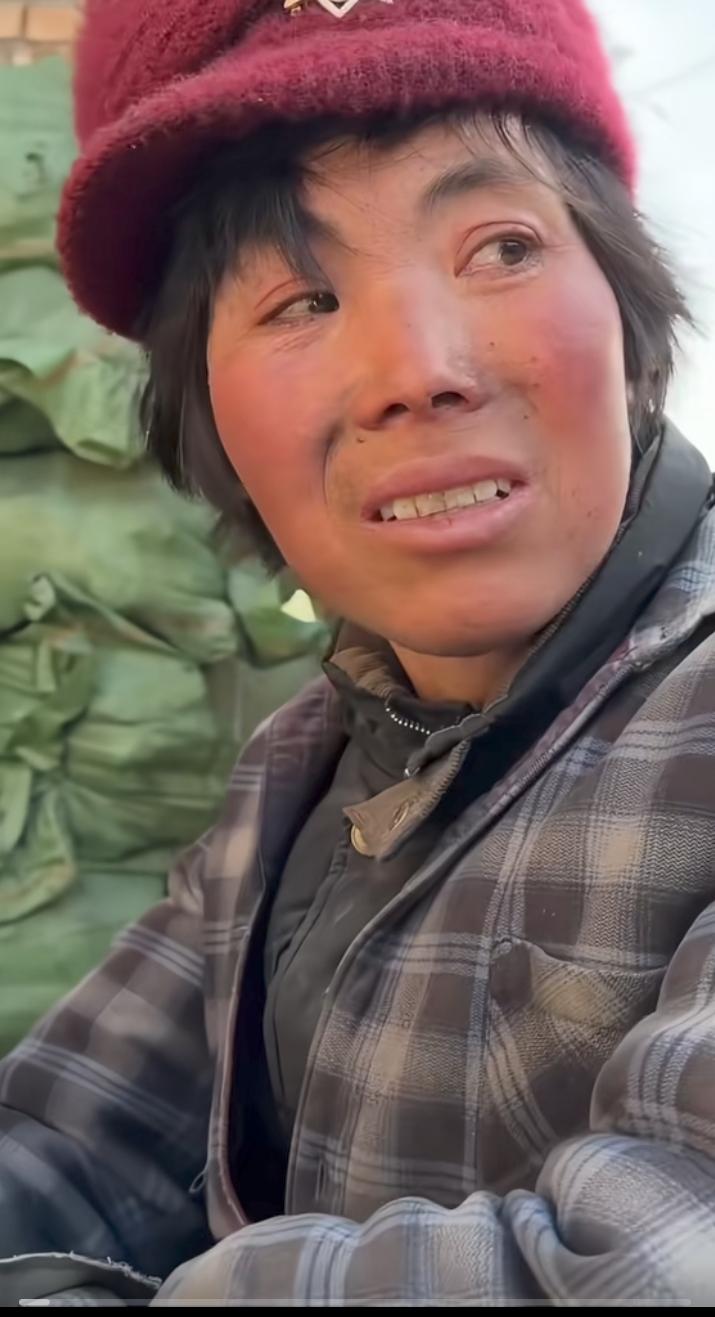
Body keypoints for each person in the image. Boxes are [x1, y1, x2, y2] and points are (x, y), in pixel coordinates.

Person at [1, 0, 715, 1305]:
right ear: (205, 419)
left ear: (626, 307)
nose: (417, 369)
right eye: (301, 298)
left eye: (502, 246)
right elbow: (76, 1133)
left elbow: (658, 1264)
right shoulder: (304, 764)